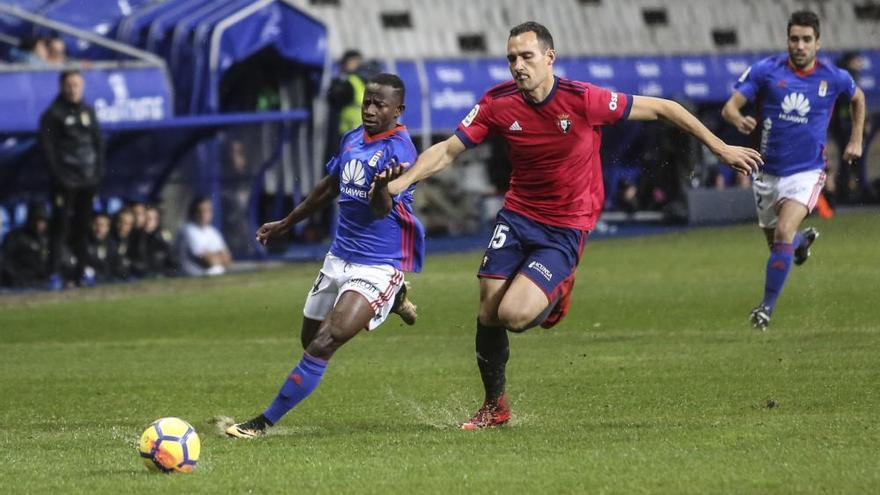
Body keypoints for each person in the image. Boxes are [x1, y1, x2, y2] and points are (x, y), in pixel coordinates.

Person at [376, 22, 761, 429]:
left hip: (565, 226)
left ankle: (558, 292)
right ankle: (495, 407)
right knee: (488, 308)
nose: (518, 66)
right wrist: (400, 184)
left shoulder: (584, 100)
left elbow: (665, 108)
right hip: (518, 215)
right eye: (511, 58)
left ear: (549, 57)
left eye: (526, 56)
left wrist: (721, 147)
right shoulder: (497, 102)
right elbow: (448, 150)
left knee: (515, 316)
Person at [225, 73, 423, 439]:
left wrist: (381, 185)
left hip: (379, 264)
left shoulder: (401, 152)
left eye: (380, 104)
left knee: (324, 342)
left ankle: (262, 423)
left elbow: (382, 209)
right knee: (309, 340)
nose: (370, 109)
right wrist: (286, 222)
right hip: (338, 258)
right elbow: (328, 187)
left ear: (399, 110)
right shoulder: (352, 139)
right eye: (367, 101)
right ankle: (394, 300)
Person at [721, 10, 865, 331]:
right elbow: (729, 106)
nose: (799, 45)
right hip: (767, 172)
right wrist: (737, 119)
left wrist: (855, 139)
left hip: (807, 171)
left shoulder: (833, 76)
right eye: (794, 39)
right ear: (787, 40)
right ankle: (800, 245)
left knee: (783, 233)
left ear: (818, 43)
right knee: (779, 244)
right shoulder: (766, 71)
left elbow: (858, 98)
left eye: (806, 39)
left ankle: (765, 310)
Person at [39, 69, 104, 290]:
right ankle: (54, 273)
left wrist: (96, 174)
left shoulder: (88, 110)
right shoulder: (52, 114)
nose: (73, 89)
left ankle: (81, 271)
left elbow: (98, 144)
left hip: (87, 180)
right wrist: (60, 177)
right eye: (69, 85)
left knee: (83, 227)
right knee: (60, 227)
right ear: (61, 86)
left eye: (77, 85)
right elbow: (47, 150)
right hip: (64, 181)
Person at [177, 197, 232, 277]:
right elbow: (207, 262)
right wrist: (217, 256)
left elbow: (228, 259)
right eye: (200, 211)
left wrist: (212, 256)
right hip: (193, 279)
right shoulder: (188, 230)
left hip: (216, 278)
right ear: (193, 212)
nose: (204, 214)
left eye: (208, 210)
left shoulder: (213, 231)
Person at [0, 203, 51, 288]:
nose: (40, 225)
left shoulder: (46, 239)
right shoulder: (15, 237)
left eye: (43, 221)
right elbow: (6, 261)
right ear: (31, 220)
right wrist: (17, 278)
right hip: (15, 283)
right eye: (38, 221)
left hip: (39, 283)